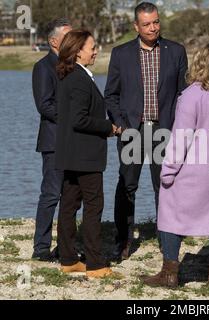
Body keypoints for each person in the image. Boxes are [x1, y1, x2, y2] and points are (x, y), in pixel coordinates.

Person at [140, 44, 209, 290]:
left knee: (170, 213)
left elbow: (181, 138)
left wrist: (168, 170)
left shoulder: (191, 95)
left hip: (194, 170)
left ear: (198, 64)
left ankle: (169, 273)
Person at [104, 2, 188, 260]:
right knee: (127, 186)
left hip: (165, 130)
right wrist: (120, 124)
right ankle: (123, 240)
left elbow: (183, 94)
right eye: (147, 24)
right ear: (136, 26)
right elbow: (111, 94)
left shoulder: (176, 51)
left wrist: (180, 126)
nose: (153, 28)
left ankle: (167, 241)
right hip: (132, 131)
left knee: (165, 186)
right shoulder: (121, 53)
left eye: (156, 22)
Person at [56, 30, 118, 278]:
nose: (96, 50)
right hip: (85, 156)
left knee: (69, 205)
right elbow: (79, 119)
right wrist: (109, 128)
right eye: (92, 47)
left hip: (72, 154)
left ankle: (69, 258)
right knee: (93, 207)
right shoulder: (80, 79)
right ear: (78, 50)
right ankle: (95, 264)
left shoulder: (70, 76)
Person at [32, 18, 72, 261]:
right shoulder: (42, 67)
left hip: (75, 142)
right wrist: (73, 119)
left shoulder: (73, 66)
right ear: (54, 41)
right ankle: (41, 248)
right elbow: (44, 105)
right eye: (68, 36)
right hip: (54, 142)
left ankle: (66, 247)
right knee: (51, 195)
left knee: (70, 197)